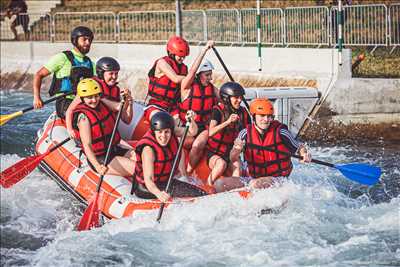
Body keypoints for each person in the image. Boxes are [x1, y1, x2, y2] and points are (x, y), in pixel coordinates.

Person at [214, 98, 312, 193]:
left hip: (278, 181)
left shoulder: (281, 132)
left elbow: (300, 147)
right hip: (252, 179)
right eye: (262, 115)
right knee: (219, 184)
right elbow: (233, 158)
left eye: (269, 116)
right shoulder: (244, 134)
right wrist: (237, 149)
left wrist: (304, 154)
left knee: (255, 184)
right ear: (254, 116)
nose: (266, 119)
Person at [132, 111, 206, 203]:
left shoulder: (173, 131)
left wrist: (191, 121)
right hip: (146, 187)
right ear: (154, 132)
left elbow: (192, 132)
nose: (163, 136)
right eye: (160, 132)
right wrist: (159, 194)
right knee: (198, 195)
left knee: (201, 194)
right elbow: (149, 180)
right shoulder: (148, 150)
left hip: (165, 181)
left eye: (166, 132)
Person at [72, 78, 134, 177]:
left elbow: (120, 108)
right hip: (101, 158)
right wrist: (97, 166)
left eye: (96, 96)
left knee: (142, 158)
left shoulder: (102, 103)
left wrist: (127, 100)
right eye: (89, 97)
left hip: (114, 149)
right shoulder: (83, 118)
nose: (94, 100)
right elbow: (87, 145)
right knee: (137, 168)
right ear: (83, 98)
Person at [144, 36, 214, 121]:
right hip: (156, 105)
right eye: (180, 56)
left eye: (184, 56)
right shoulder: (162, 62)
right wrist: (191, 78)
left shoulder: (184, 68)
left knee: (179, 127)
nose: (182, 58)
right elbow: (176, 79)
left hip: (173, 108)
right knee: (161, 122)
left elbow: (188, 81)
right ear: (171, 53)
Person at [33, 26, 95, 119]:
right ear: (75, 40)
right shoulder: (62, 57)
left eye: (90, 40)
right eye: (84, 39)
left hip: (86, 101)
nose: (88, 43)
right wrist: (37, 97)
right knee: (84, 118)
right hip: (65, 102)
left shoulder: (90, 63)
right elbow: (39, 75)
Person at [65, 56, 132, 138]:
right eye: (111, 73)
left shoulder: (116, 90)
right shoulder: (89, 87)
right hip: (90, 134)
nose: (114, 77)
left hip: (107, 134)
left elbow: (127, 120)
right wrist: (70, 129)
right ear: (101, 73)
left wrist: (129, 102)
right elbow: (70, 110)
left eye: (116, 73)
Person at [175, 59, 219, 173]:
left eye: (211, 75)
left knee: (198, 144)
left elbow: (225, 99)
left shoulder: (212, 88)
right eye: (207, 75)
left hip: (204, 127)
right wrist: (204, 50)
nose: (210, 78)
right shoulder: (187, 87)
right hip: (187, 127)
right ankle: (180, 171)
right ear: (199, 75)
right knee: (182, 143)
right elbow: (192, 71)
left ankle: (188, 173)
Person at [205, 82, 251, 186]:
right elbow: (211, 132)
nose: (239, 100)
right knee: (221, 164)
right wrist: (227, 122)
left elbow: (250, 133)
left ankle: (235, 192)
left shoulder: (243, 112)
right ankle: (208, 186)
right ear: (226, 98)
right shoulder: (217, 110)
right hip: (215, 153)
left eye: (240, 97)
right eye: (236, 98)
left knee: (238, 166)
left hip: (231, 154)